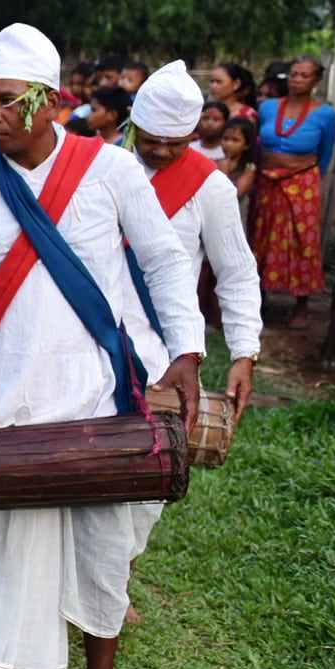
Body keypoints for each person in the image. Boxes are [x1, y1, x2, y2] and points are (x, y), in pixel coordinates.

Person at [0, 24, 204, 669]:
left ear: (49, 101)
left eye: (7, 100)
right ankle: (3, 650)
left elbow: (168, 262)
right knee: (3, 530)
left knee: (102, 538)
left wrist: (188, 352)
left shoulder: (110, 171)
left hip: (96, 390)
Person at [125, 62, 263, 424]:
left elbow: (236, 272)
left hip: (167, 342)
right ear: (135, 125)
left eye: (176, 143)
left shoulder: (210, 186)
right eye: (151, 140)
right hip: (91, 332)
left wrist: (243, 354)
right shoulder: (104, 167)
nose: (162, 152)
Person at [254, 56, 335, 329]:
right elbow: (256, 143)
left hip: (302, 184)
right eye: (294, 74)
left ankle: (301, 303)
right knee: (262, 236)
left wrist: (308, 179)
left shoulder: (325, 114)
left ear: (316, 81)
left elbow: (324, 154)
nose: (297, 79)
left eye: (305, 75)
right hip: (267, 182)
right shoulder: (267, 107)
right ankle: (259, 297)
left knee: (302, 240)